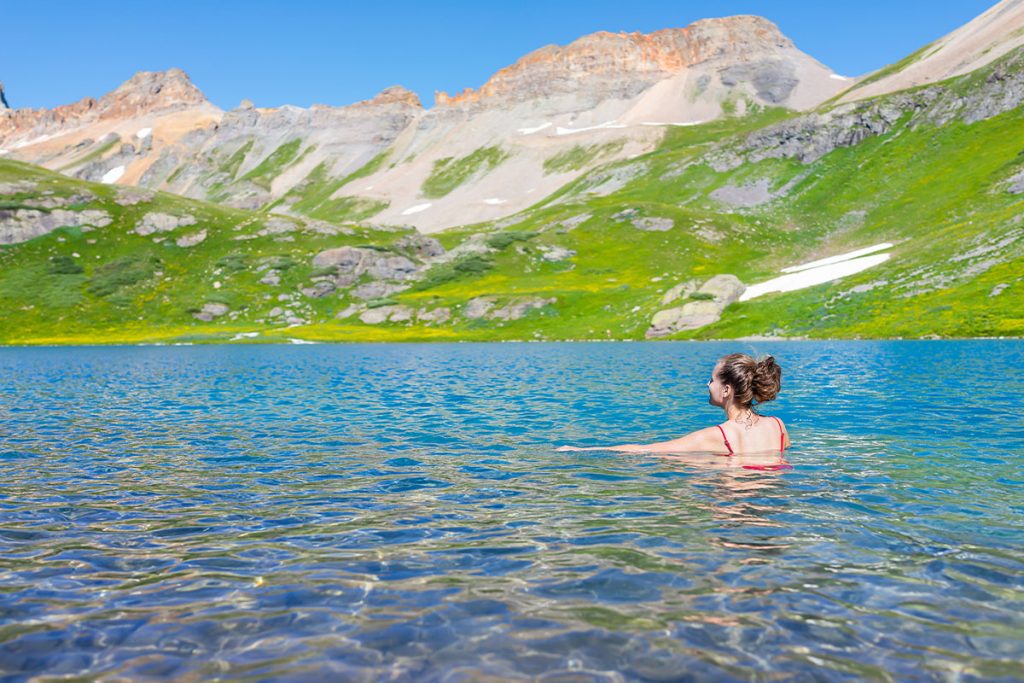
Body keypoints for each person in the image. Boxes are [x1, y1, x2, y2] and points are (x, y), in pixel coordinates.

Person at [558, 354, 790, 456]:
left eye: (712, 380)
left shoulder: (717, 435)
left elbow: (646, 450)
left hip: (733, 508)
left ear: (727, 389)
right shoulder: (778, 427)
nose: (707, 384)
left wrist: (583, 451)